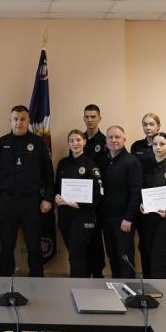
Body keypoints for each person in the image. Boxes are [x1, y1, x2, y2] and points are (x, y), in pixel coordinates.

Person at [0, 105, 54, 277]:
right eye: (15, 119)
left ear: (28, 120)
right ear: (10, 120)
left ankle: (37, 280)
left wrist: (48, 198)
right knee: (6, 246)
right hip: (6, 201)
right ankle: (4, 280)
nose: (19, 123)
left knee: (34, 244)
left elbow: (48, 173)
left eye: (22, 119)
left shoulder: (38, 143)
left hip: (31, 201)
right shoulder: (1, 143)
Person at [54, 130, 103, 278]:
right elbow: (57, 188)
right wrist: (56, 197)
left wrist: (78, 204)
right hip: (65, 216)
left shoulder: (91, 165)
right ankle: (84, 280)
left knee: (76, 254)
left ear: (84, 142)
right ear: (68, 144)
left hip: (83, 215)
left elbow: (98, 194)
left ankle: (77, 284)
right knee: (75, 252)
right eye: (71, 141)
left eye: (78, 140)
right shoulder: (63, 164)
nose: (75, 143)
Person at [98, 125, 142, 278]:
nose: (113, 140)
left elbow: (136, 192)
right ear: (106, 140)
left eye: (117, 137)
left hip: (124, 219)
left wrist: (128, 218)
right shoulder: (102, 161)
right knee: (112, 255)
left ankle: (129, 288)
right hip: (106, 218)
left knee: (125, 256)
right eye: (110, 137)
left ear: (124, 140)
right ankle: (116, 286)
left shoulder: (132, 161)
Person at [138, 132, 166, 279]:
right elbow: (140, 190)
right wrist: (141, 203)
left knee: (159, 263)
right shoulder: (145, 168)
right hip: (147, 220)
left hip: (165, 222)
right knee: (147, 258)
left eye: (162, 144)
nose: (158, 147)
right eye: (155, 144)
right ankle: (147, 291)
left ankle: (162, 291)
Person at [82, 104, 107, 278]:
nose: (90, 120)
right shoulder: (79, 139)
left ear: (99, 118)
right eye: (87, 117)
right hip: (81, 198)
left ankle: (98, 273)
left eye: (93, 116)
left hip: (98, 198)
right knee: (83, 238)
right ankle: (85, 272)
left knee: (96, 238)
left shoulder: (105, 141)